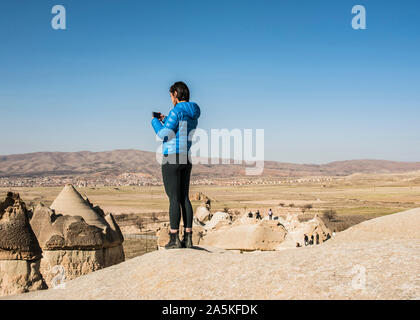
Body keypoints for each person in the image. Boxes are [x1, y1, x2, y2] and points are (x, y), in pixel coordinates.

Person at [151, 81, 200, 249]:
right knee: (184, 197)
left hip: (171, 156)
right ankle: (188, 237)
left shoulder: (176, 110)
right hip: (186, 157)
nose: (171, 99)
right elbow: (177, 129)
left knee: (173, 198)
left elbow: (164, 134)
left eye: (171, 95)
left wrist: (154, 121)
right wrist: (167, 120)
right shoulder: (193, 112)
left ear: (176, 94)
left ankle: (174, 238)